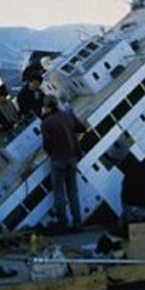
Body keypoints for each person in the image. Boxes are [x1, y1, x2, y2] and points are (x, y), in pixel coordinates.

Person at [41, 95, 86, 232]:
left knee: (59, 193)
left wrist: (52, 152)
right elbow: (81, 128)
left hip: (58, 160)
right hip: (72, 157)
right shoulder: (68, 115)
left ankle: (62, 223)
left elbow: (46, 145)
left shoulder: (46, 123)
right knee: (73, 192)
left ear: (47, 107)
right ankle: (77, 222)